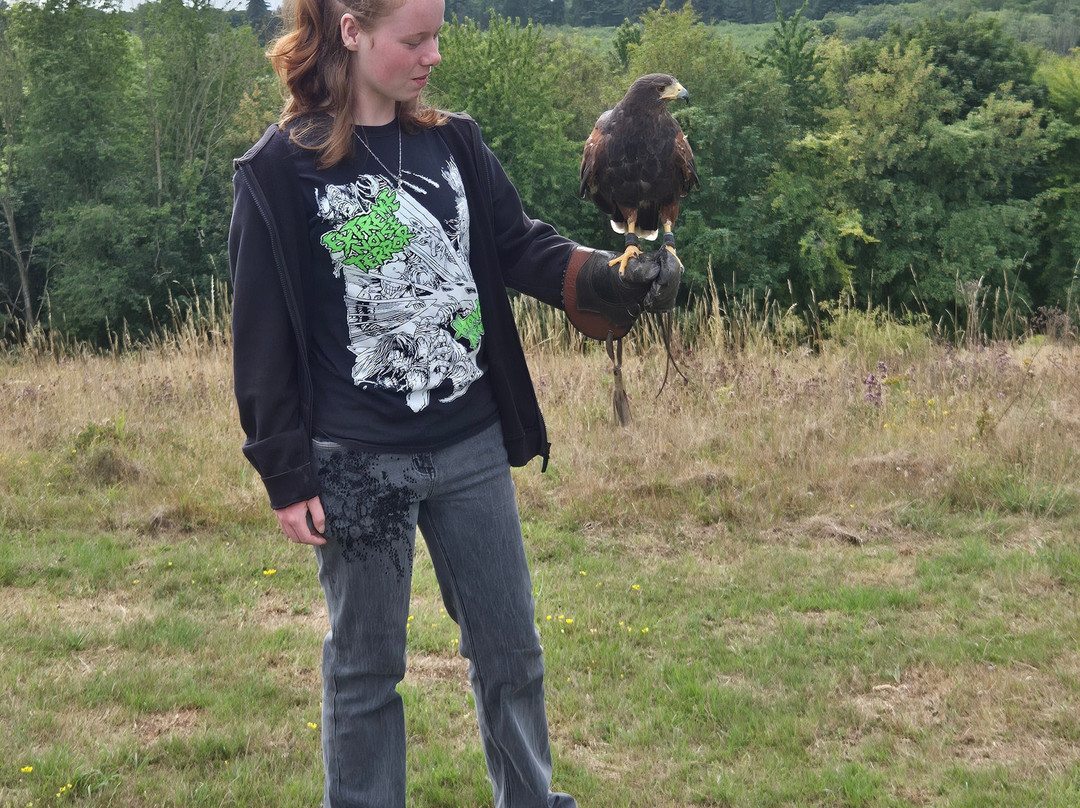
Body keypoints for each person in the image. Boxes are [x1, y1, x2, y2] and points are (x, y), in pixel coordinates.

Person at [227, 0, 680, 803]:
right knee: (366, 670)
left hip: (470, 444)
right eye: (415, 39)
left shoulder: (451, 142)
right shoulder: (278, 168)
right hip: (357, 462)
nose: (433, 54)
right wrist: (285, 471)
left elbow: (518, 244)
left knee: (512, 652)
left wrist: (609, 277)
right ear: (352, 31)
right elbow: (260, 335)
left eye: (438, 34)